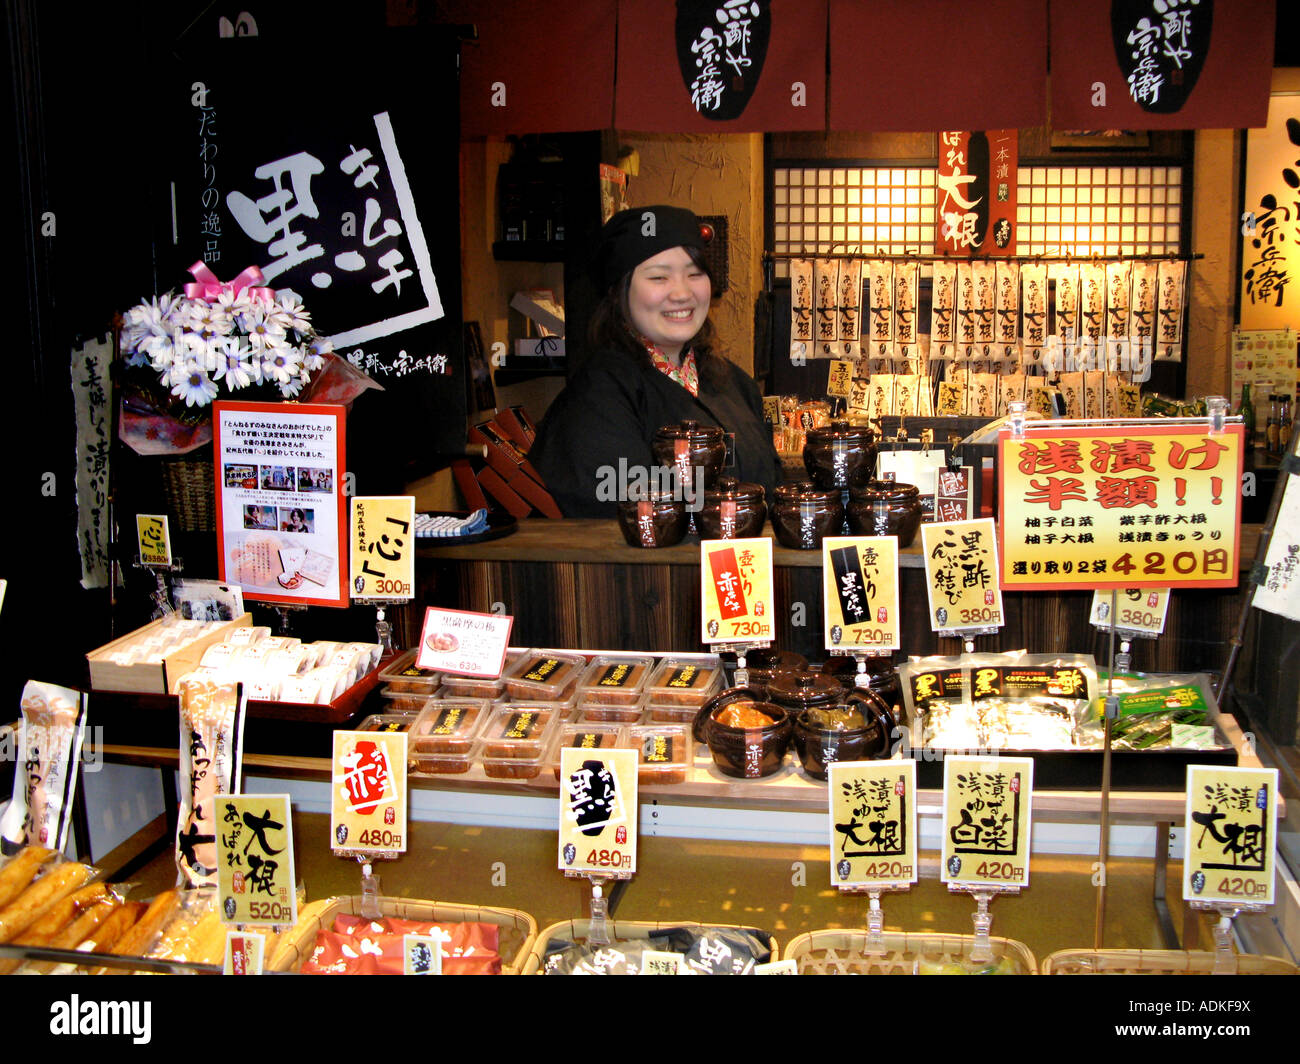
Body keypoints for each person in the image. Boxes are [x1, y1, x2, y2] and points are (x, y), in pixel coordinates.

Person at [531, 205, 779, 517]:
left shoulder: (735, 382)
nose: (681, 293)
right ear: (620, 292)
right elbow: (627, 512)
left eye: (694, 273)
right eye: (659, 277)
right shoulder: (600, 393)